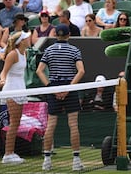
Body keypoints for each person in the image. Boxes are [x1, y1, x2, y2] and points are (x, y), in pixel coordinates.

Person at [36, 23, 85, 171]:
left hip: (54, 87)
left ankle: (47, 161)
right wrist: (69, 88)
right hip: (69, 87)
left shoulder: (49, 50)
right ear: (69, 35)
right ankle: (76, 161)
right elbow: (81, 71)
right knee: (73, 125)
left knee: (51, 125)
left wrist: (51, 89)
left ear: (56, 35)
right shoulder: (74, 50)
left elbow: (39, 71)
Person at [0, 31, 31, 164]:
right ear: (21, 41)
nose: (29, 39)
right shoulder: (13, 54)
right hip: (11, 88)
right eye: (27, 38)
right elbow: (3, 72)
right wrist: (2, 80)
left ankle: (10, 153)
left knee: (16, 123)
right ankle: (8, 154)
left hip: (20, 87)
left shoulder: (25, 53)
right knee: (14, 123)